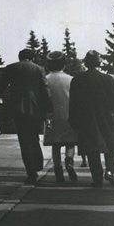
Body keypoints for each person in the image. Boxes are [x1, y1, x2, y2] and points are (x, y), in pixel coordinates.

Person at [0, 48, 51, 182]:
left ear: (20, 57)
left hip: (18, 108)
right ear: (32, 58)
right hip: (35, 108)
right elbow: (45, 91)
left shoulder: (11, 68)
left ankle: (31, 172)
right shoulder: (39, 69)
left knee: (24, 140)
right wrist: (48, 110)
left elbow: (1, 85)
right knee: (34, 137)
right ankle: (38, 163)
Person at [69, 50, 114, 186]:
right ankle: (110, 170)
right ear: (99, 62)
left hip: (87, 120)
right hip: (106, 118)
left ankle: (97, 178)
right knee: (109, 145)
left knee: (92, 150)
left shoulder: (77, 80)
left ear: (85, 63)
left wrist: (73, 120)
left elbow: (73, 103)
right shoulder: (108, 79)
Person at [43, 50, 78, 184]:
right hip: (69, 116)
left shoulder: (45, 79)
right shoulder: (70, 79)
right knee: (70, 142)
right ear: (64, 64)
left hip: (51, 117)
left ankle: (58, 170)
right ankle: (69, 160)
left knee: (55, 145)